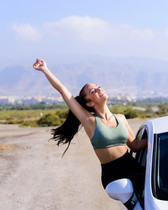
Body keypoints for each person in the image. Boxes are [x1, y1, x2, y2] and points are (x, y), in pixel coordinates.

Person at [33, 58, 147, 193]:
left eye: (98, 87)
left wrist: (157, 137)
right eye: (93, 91)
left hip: (133, 169)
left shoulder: (121, 119)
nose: (99, 90)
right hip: (114, 176)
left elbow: (135, 146)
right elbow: (63, 91)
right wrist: (45, 69)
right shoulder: (90, 121)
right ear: (89, 103)